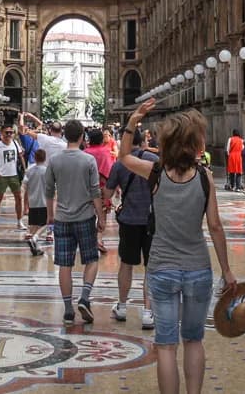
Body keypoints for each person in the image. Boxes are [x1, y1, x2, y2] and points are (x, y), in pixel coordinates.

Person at [118, 101, 237, 394]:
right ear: (196, 143)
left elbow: (122, 157)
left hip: (161, 270)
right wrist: (228, 271)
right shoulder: (205, 177)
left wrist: (133, 120)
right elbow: (216, 226)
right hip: (198, 269)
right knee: (194, 340)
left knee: (167, 346)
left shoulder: (155, 173)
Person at [45, 119, 103, 324]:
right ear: (81, 137)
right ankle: (85, 297)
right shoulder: (88, 161)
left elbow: (49, 190)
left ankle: (68, 309)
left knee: (65, 265)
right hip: (85, 217)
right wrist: (101, 217)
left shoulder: (54, 160)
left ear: (64, 135)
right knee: (92, 259)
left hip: (62, 218)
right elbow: (95, 191)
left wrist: (51, 214)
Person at [106, 128, 158, 328]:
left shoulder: (120, 164)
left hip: (129, 220)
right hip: (152, 220)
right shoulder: (154, 160)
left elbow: (107, 193)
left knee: (126, 264)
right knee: (151, 266)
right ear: (142, 141)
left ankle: (121, 306)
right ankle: (147, 311)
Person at [0, 124, 26, 232]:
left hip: (14, 175)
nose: (9, 134)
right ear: (2, 134)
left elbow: (21, 156)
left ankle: (19, 221)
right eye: (7, 132)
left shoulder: (15, 143)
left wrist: (25, 169)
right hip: (2, 176)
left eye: (11, 132)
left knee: (18, 198)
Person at [24, 146, 51, 256]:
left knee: (34, 225)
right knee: (49, 223)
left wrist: (25, 203)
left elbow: (24, 186)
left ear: (35, 158)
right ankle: (35, 238)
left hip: (33, 202)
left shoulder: (29, 170)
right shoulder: (47, 171)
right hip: (44, 202)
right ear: (45, 159)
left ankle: (35, 244)